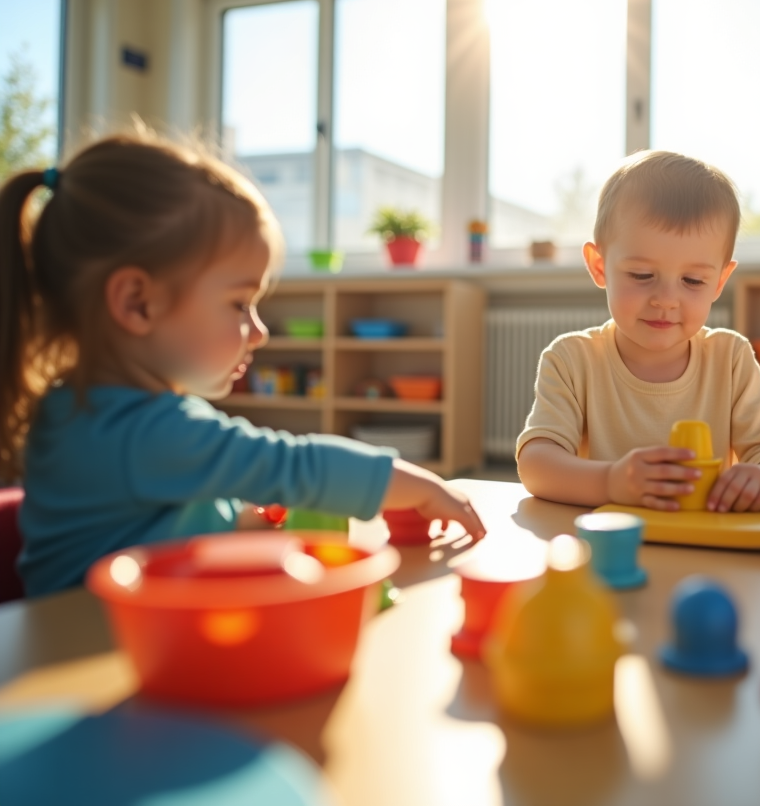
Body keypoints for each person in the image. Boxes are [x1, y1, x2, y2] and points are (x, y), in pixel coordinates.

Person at [0, 129, 485, 597]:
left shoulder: (80, 412)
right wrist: (421, 486)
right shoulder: (144, 430)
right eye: (239, 304)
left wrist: (246, 515)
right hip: (91, 659)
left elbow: (164, 525)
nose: (260, 331)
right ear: (138, 303)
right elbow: (296, 465)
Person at [516, 150, 760, 512]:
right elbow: (536, 464)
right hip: (608, 547)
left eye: (692, 280)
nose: (666, 300)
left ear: (719, 281)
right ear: (599, 266)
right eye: (642, 276)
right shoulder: (571, 359)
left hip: (703, 541)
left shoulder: (730, 358)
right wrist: (610, 482)